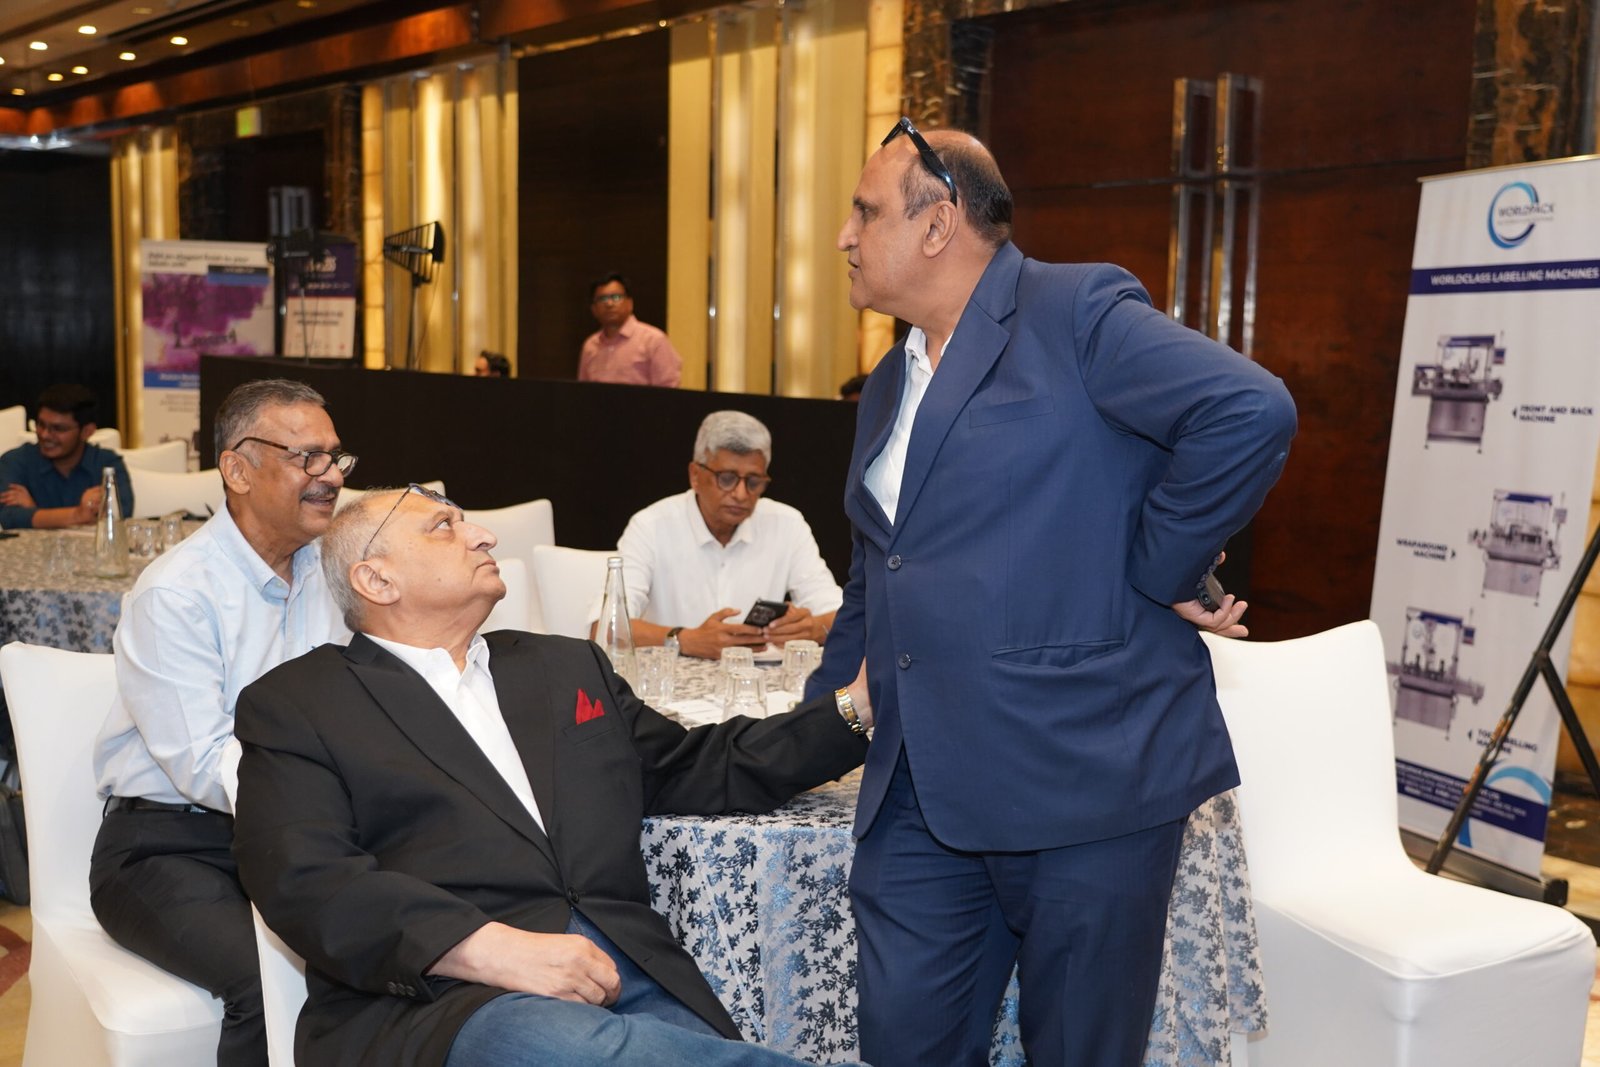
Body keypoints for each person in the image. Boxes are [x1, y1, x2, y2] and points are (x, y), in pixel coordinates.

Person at [809, 119, 1297, 1066]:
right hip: (921, 793)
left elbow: (1248, 408)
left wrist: (1159, 566)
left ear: (939, 224)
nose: (844, 235)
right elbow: (879, 565)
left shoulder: (1075, 310)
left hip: (1085, 783)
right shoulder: (888, 381)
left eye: (865, 212)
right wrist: (817, 720)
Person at [230, 484, 873, 1067]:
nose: (484, 536)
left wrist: (856, 708)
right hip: (443, 1002)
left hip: (626, 977)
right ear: (377, 580)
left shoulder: (563, 667)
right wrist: (489, 949)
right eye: (444, 527)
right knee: (571, 1047)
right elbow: (305, 878)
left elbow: (699, 766)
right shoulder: (300, 703)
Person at [91, 378, 357, 1067]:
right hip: (167, 845)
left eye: (335, 457)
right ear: (237, 470)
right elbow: (204, 763)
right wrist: (331, 797)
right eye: (308, 458)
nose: (331, 476)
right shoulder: (178, 592)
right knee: (269, 981)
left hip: (299, 835)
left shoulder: (334, 573)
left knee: (410, 942)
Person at [589, 410, 842, 659]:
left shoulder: (787, 524)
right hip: (670, 679)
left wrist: (812, 628)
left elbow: (843, 615)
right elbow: (604, 627)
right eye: (727, 478)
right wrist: (684, 639)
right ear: (695, 475)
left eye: (753, 481)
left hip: (757, 680)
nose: (741, 494)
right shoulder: (651, 526)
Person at [0, 383, 132, 529]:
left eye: (58, 429)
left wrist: (35, 511)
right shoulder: (15, 461)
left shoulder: (107, 464)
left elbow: (118, 516)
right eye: (41, 425)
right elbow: (10, 518)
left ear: (87, 432)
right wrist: (78, 515)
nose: (45, 435)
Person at [577, 272, 683, 387]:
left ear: (630, 303)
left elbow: (668, 390)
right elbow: (583, 392)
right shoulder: (590, 346)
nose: (609, 303)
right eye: (602, 299)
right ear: (594, 309)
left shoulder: (653, 340)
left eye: (616, 297)